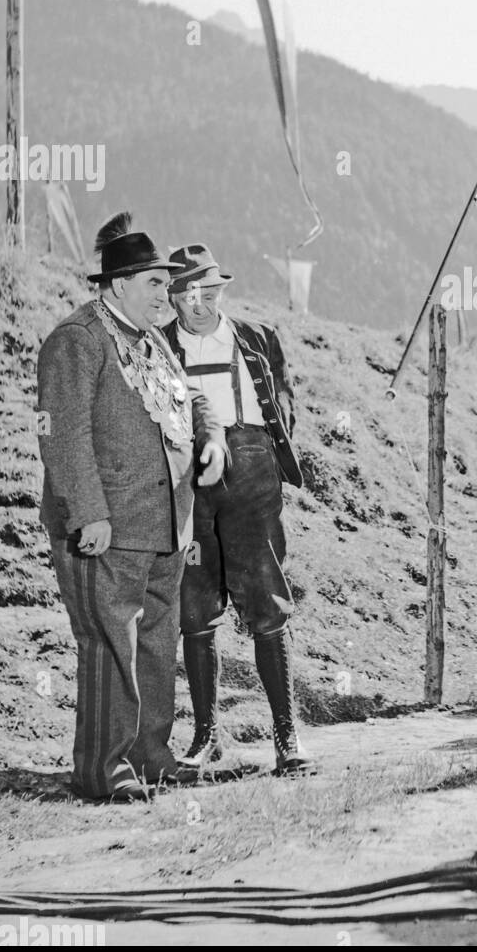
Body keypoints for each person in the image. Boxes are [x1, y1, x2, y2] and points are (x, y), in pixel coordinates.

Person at [37, 213, 227, 802]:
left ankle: (149, 755)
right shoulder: (78, 340)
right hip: (107, 530)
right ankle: (102, 768)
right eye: (154, 283)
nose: (165, 295)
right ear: (119, 284)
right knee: (110, 644)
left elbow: (191, 399)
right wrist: (88, 513)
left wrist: (212, 437)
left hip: (165, 530)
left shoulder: (152, 343)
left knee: (154, 643)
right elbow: (60, 434)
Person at [161, 243, 313, 777]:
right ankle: (207, 738)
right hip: (188, 482)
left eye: (209, 291)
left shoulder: (256, 337)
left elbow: (286, 397)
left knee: (269, 605)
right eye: (188, 293)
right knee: (195, 610)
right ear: (174, 299)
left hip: (251, 475)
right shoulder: (157, 349)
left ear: (221, 291)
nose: (200, 303)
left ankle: (286, 738)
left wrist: (267, 450)